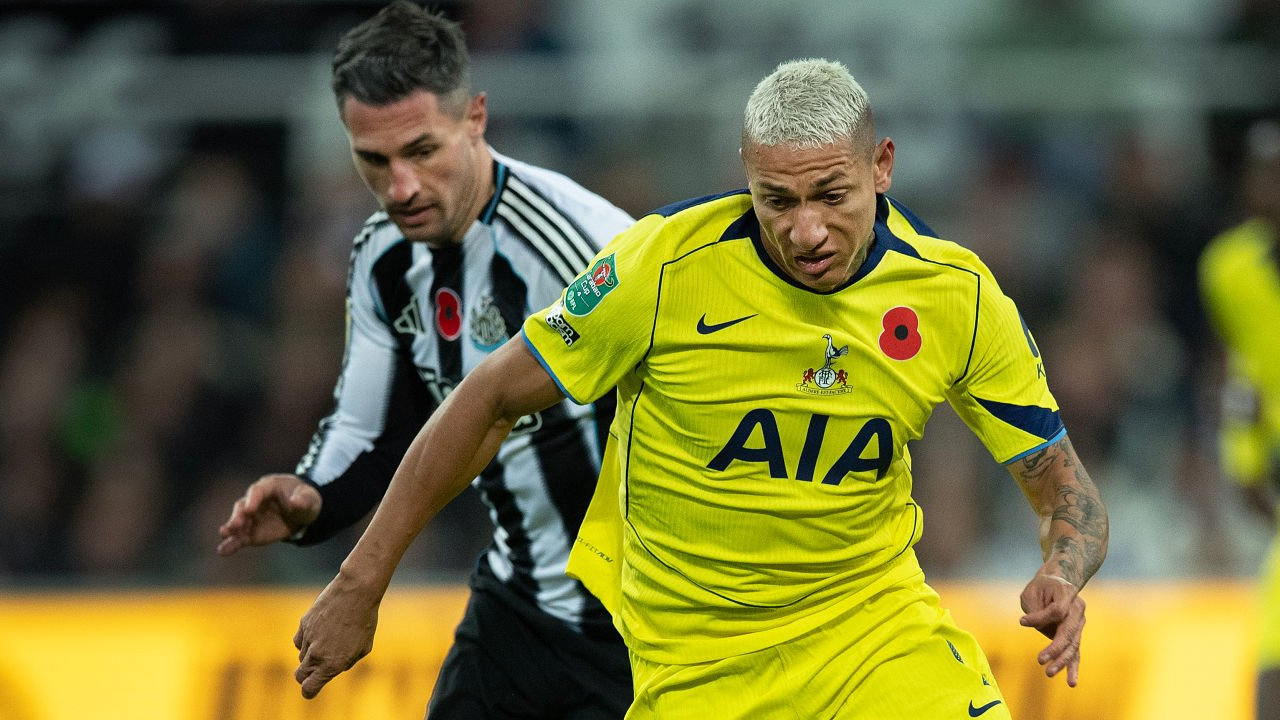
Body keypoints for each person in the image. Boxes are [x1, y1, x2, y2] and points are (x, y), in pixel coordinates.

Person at [291, 58, 1110, 719]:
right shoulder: (661, 267)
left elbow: (1065, 491)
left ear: (882, 166)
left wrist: (1064, 574)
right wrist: (360, 583)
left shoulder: (954, 297)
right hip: (697, 666)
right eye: (776, 201)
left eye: (832, 195)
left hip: (874, 640)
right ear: (745, 175)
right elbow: (487, 399)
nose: (806, 231)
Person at [215, 2, 635, 717]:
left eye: (421, 150)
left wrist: (360, 581)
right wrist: (315, 497)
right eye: (372, 160)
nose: (400, 187)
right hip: (518, 609)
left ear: (475, 116)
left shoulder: (582, 246)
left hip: (639, 628)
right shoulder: (382, 256)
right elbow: (372, 428)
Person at [1200, 118, 1280, 720]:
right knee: (1270, 652)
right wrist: (1243, 460)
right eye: (1263, 170)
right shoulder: (1229, 268)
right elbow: (1241, 373)